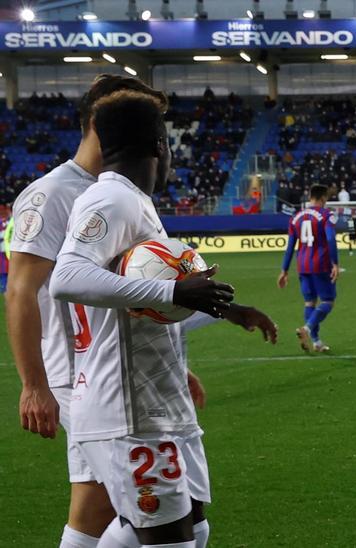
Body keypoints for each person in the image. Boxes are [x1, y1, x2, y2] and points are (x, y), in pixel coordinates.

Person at [5, 75, 198, 548]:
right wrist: (35, 386)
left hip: (123, 372)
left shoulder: (124, 189)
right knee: (131, 509)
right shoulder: (51, 194)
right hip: (82, 378)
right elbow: (22, 291)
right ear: (101, 123)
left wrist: (175, 368)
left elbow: (139, 288)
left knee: (114, 509)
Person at [47, 89, 235, 548]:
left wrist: (202, 307)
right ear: (158, 144)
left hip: (154, 396)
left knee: (192, 524)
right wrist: (173, 289)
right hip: (128, 407)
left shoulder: (131, 201)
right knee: (171, 539)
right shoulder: (111, 201)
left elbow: (132, 310)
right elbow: (66, 278)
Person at [278, 184, 341, 353]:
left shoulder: (296, 217)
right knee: (328, 301)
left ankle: (316, 341)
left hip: (303, 265)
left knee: (309, 302)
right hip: (321, 264)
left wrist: (284, 270)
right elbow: (330, 239)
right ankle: (306, 329)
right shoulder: (326, 215)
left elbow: (290, 246)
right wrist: (335, 262)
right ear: (323, 198)